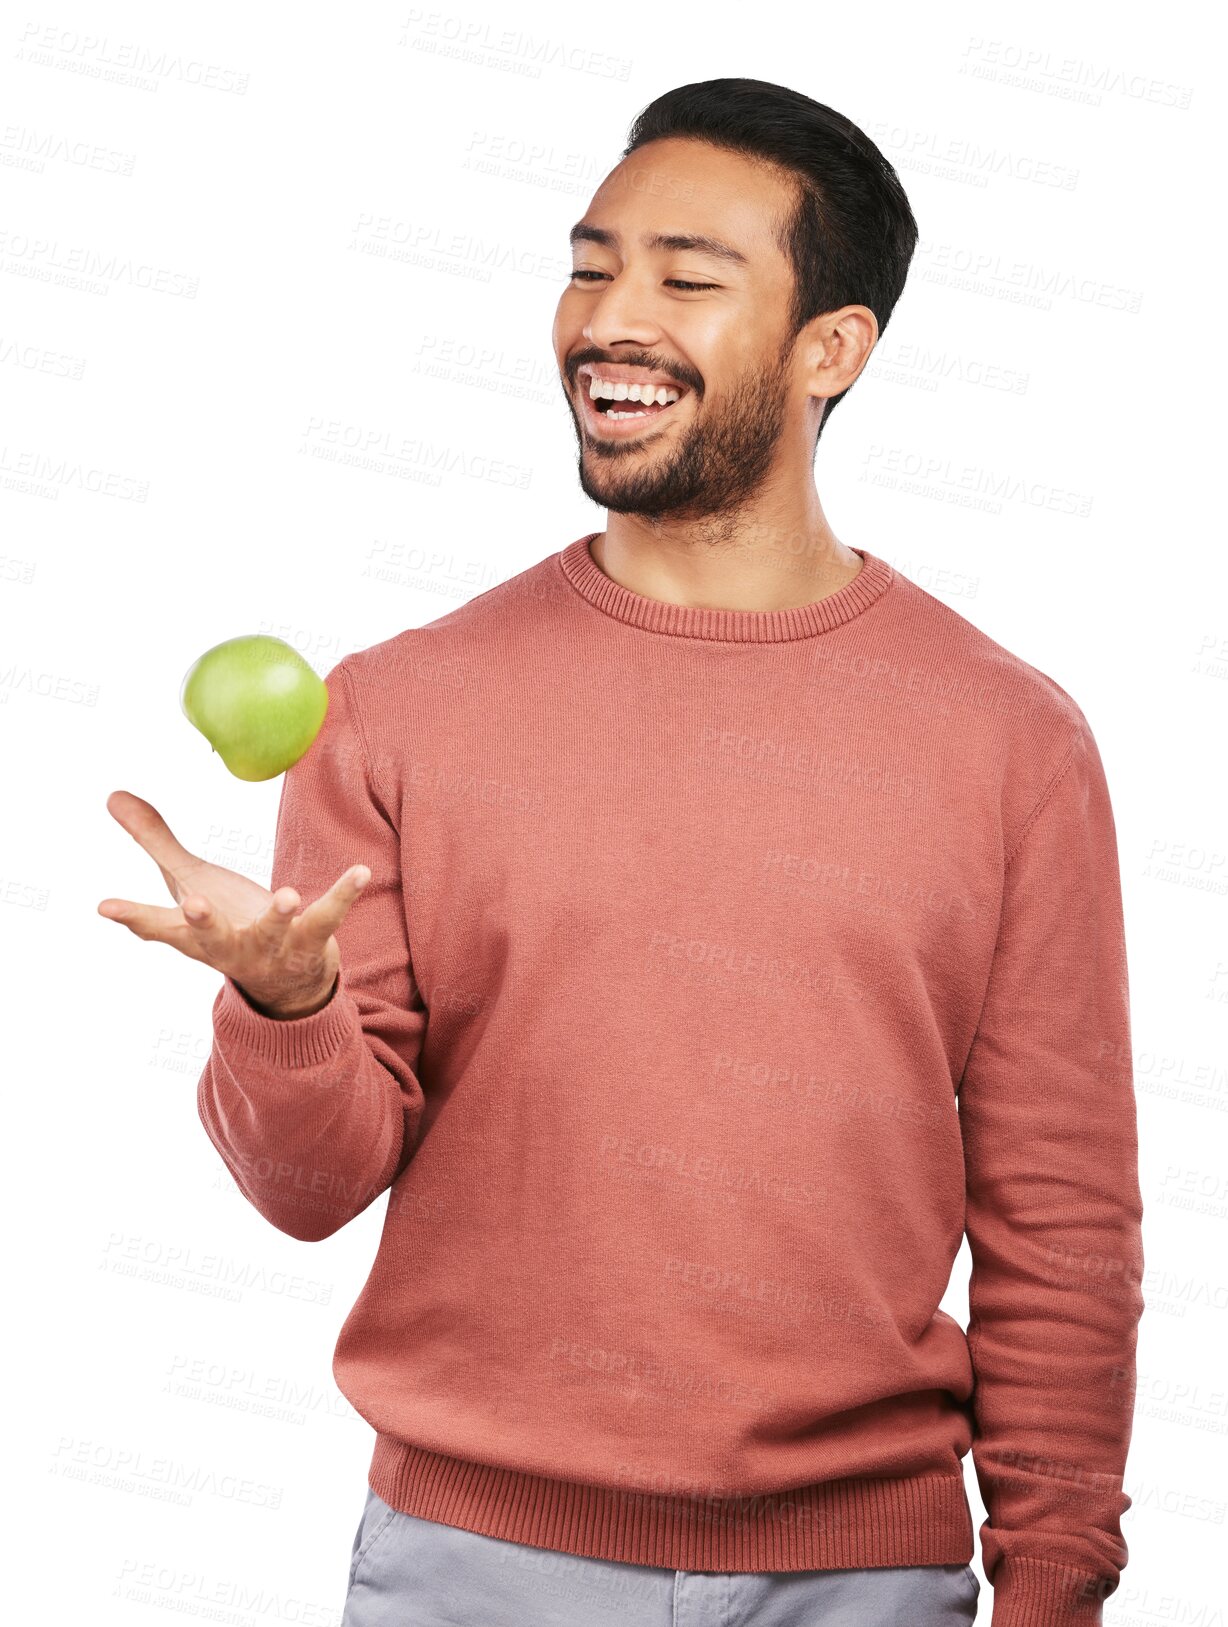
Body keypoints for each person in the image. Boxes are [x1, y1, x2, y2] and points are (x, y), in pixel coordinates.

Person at [99, 78, 1144, 1627]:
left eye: (686, 278)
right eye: (591, 266)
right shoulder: (395, 709)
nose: (610, 317)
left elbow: (1058, 1204)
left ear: (830, 349)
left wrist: (1055, 1573)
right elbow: (312, 1195)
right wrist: (284, 1010)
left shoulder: (1010, 741)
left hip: (864, 1578)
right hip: (474, 1572)